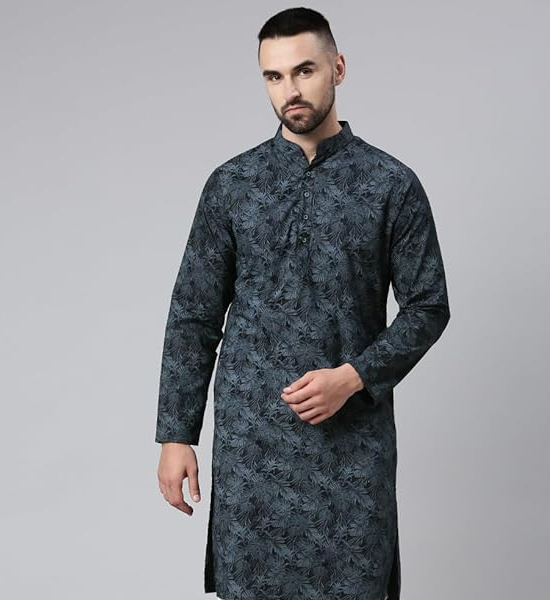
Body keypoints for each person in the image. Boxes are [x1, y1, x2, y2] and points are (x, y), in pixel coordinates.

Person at [155, 7, 450, 600]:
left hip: (352, 442)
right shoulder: (232, 185)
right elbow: (194, 315)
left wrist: (355, 376)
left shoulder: (391, 184)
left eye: (304, 70)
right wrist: (176, 435)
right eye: (274, 76)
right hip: (252, 443)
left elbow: (428, 305)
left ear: (338, 68)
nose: (289, 89)